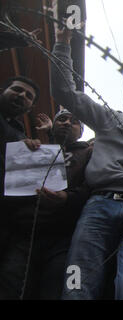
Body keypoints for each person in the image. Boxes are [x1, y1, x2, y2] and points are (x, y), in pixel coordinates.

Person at [51, 25, 123, 299]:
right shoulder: (109, 119)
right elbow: (65, 93)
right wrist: (62, 44)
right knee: (76, 286)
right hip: (98, 208)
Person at [0, 109, 92, 299]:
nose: (67, 123)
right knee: (11, 286)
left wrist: (68, 199)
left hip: (64, 236)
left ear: (81, 131)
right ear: (54, 125)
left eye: (74, 121)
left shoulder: (88, 153)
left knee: (53, 289)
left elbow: (91, 188)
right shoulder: (33, 148)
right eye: (62, 119)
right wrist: (22, 155)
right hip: (24, 233)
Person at [0, 76, 40, 259]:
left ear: (30, 107)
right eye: (17, 90)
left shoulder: (20, 134)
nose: (22, 95)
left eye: (28, 96)